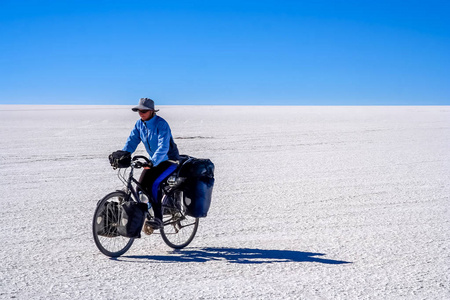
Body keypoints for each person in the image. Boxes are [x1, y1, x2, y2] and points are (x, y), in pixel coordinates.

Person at [122, 97, 180, 229]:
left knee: (154, 185)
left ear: (152, 111)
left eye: (144, 111)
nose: (141, 113)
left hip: (169, 161)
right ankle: (147, 214)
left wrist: (153, 162)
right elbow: (132, 141)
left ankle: (158, 219)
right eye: (139, 111)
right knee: (140, 188)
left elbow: (163, 147)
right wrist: (123, 154)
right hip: (153, 161)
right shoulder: (139, 124)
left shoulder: (161, 124)